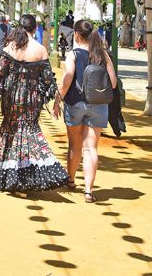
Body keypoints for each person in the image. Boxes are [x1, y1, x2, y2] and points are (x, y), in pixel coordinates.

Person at [0, 14, 68, 193]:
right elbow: (47, 80)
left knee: (9, 130)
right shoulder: (41, 49)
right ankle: (27, 175)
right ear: (34, 29)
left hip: (12, 96)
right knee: (29, 131)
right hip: (32, 99)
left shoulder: (11, 47)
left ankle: (6, 174)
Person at [53, 19, 117, 202]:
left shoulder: (74, 54)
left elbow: (66, 81)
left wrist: (58, 101)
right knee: (91, 148)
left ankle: (71, 180)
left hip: (75, 104)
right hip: (99, 106)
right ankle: (88, 191)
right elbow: (113, 83)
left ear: (76, 35)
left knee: (75, 145)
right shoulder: (103, 55)